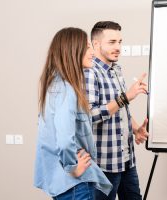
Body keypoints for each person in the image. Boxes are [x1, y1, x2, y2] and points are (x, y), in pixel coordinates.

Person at [34, 27, 112, 200]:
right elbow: (63, 139)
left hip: (63, 183)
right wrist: (72, 167)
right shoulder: (66, 89)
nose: (93, 52)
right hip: (75, 185)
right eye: (87, 47)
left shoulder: (54, 85)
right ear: (72, 50)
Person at [84, 21, 149, 200]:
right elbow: (89, 116)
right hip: (104, 164)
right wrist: (125, 97)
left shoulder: (116, 69)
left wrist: (135, 128)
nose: (118, 47)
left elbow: (120, 109)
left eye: (120, 42)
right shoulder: (90, 72)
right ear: (96, 44)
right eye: (112, 42)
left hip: (126, 159)